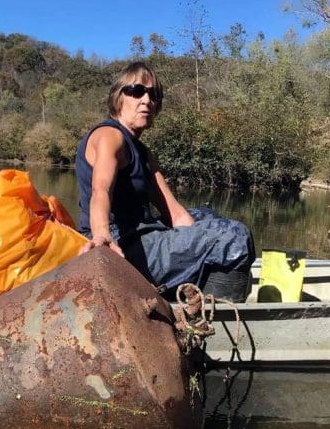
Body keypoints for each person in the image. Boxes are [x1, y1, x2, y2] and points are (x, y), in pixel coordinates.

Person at [75, 61, 256, 301]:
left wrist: (202, 241)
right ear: (119, 96)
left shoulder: (143, 152)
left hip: (145, 235)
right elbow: (101, 189)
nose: (147, 100)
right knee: (236, 235)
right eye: (137, 91)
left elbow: (174, 212)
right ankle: (213, 318)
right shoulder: (110, 136)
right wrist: (101, 236)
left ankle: (194, 286)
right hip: (119, 245)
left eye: (154, 94)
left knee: (207, 216)